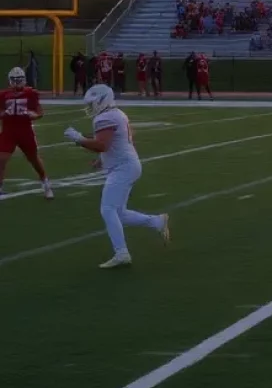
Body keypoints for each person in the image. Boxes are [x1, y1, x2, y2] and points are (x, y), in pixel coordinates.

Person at [62, 84, 169, 268]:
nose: (89, 107)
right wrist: (102, 160)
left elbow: (102, 145)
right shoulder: (116, 113)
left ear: (102, 101)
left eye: (92, 103)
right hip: (126, 164)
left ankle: (122, 253)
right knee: (119, 212)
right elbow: (117, 142)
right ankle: (157, 222)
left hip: (123, 167)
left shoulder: (106, 116)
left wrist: (78, 139)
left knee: (107, 209)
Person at [0, 66, 53, 199]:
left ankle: (46, 183)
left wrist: (33, 116)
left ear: (23, 79)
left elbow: (40, 113)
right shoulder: (3, 95)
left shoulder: (31, 93)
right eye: (14, 80)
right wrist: (4, 113)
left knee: (34, 160)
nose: (16, 83)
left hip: (25, 131)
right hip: (9, 131)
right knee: (1, 159)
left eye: (19, 80)